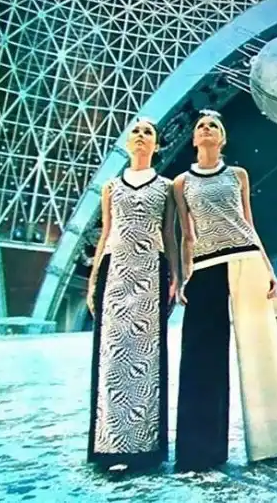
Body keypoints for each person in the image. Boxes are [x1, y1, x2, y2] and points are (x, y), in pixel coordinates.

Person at [172, 109, 277, 473]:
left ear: (222, 137)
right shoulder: (181, 182)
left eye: (213, 126)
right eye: (201, 126)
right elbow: (186, 235)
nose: (206, 129)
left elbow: (249, 225)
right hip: (205, 267)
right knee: (201, 359)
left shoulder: (237, 175)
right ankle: (198, 452)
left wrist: (268, 268)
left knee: (262, 354)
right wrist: (182, 276)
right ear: (194, 139)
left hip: (246, 260)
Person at [86, 118, 178, 473]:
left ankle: (144, 447)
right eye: (135, 132)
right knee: (112, 359)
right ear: (127, 143)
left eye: (148, 133)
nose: (140, 136)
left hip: (150, 274)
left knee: (147, 360)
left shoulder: (166, 187)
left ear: (156, 145)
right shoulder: (111, 187)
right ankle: (110, 445)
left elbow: (169, 235)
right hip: (115, 274)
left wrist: (176, 276)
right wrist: (94, 281)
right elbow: (106, 233)